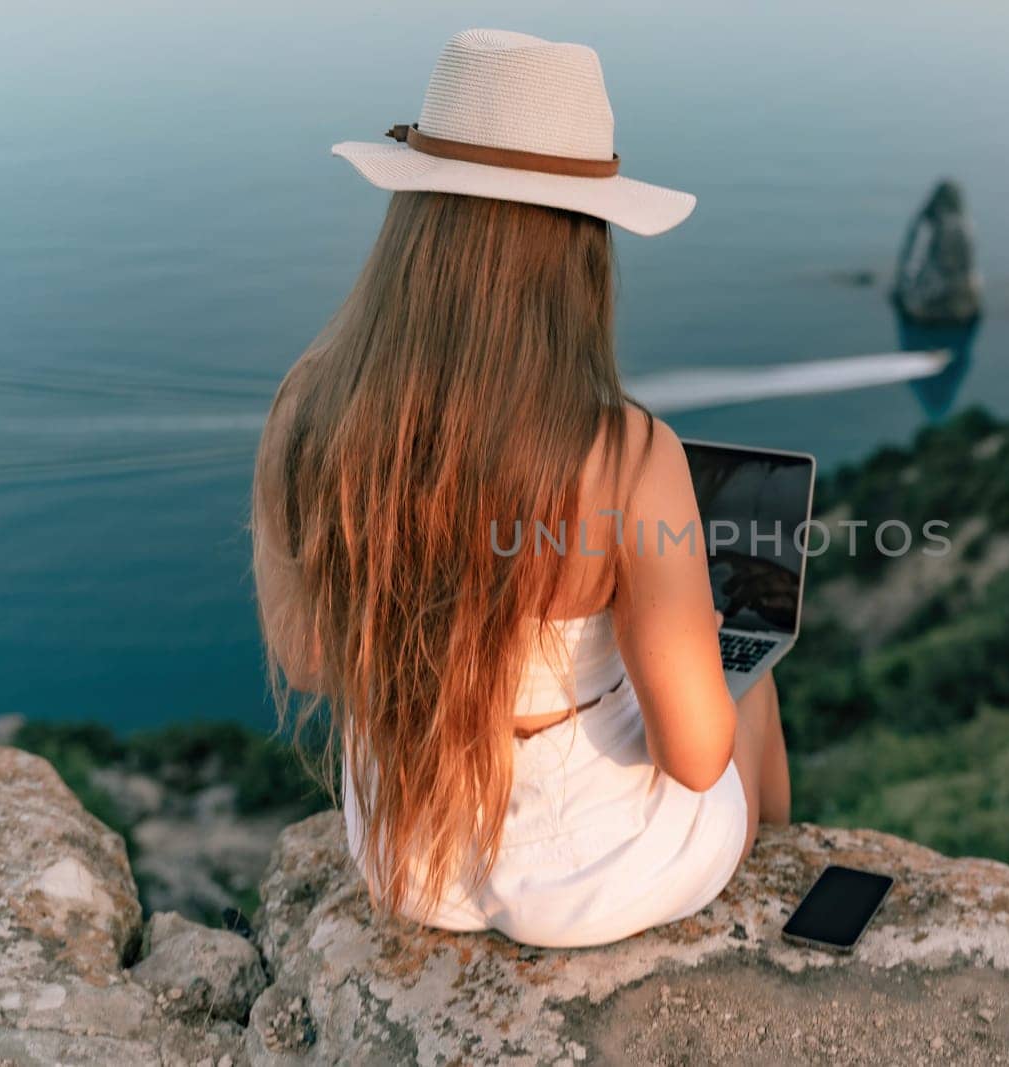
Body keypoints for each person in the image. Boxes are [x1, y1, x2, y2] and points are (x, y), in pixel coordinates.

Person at [249, 28, 789, 949]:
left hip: (409, 855)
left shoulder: (308, 404)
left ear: (414, 222)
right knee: (749, 678)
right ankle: (784, 881)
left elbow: (305, 659)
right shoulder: (626, 452)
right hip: (596, 875)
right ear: (581, 245)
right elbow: (695, 760)